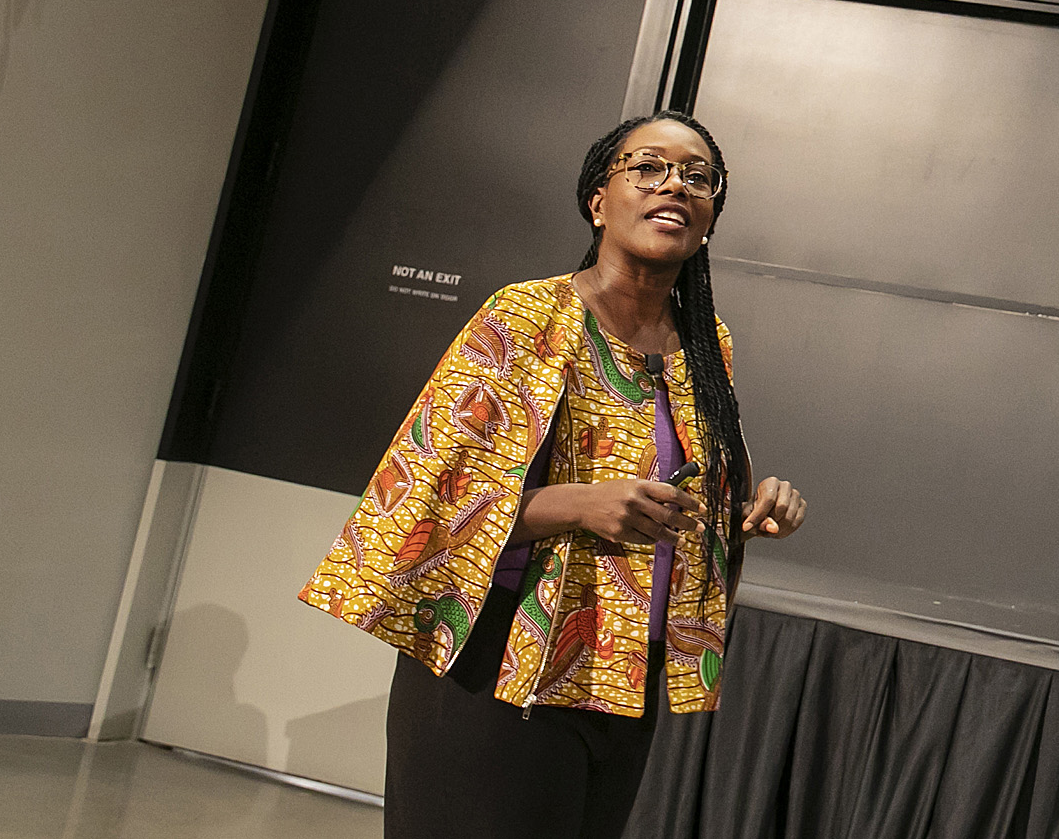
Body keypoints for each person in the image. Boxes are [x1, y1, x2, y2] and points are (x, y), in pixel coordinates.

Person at [301, 110, 807, 839]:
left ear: (710, 216)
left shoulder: (707, 345)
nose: (675, 185)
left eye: (699, 177)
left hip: (621, 675)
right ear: (599, 200)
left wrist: (749, 509)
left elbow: (690, 497)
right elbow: (423, 501)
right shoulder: (525, 317)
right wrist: (576, 504)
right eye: (649, 167)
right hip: (493, 665)